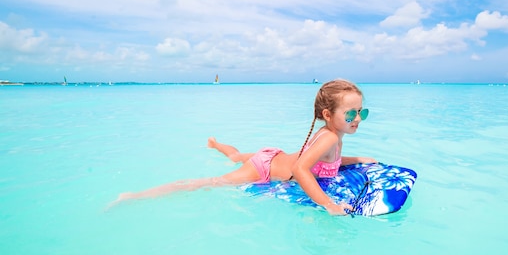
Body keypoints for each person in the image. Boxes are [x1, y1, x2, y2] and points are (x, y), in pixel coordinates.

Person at [112, 79, 376, 215]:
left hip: (273, 156)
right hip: (265, 167)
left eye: (361, 113)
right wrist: (329, 205)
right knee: (211, 182)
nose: (357, 120)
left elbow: (326, 162)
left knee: (237, 155)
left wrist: (358, 159)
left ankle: (216, 144)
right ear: (328, 115)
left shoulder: (331, 134)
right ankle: (133, 196)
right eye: (350, 114)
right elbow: (301, 169)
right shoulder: (330, 137)